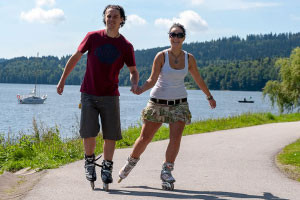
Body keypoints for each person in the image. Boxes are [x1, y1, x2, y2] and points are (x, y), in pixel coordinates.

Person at [118, 23, 216, 190]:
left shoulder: (189, 58)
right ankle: (131, 162)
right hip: (158, 102)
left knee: (175, 138)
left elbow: (198, 79)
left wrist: (209, 97)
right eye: (173, 34)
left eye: (179, 35)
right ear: (169, 37)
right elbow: (152, 79)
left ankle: (166, 171)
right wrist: (140, 89)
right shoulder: (161, 56)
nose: (175, 38)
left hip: (180, 103)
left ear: (184, 38)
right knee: (145, 138)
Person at [56, 5, 139, 189]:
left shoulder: (126, 46)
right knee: (89, 131)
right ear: (105, 18)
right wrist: (62, 80)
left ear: (122, 20)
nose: (111, 19)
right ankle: (89, 163)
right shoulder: (92, 37)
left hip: (110, 95)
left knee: (111, 134)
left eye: (115, 16)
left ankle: (107, 168)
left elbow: (133, 71)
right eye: (108, 16)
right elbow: (75, 57)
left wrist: (134, 83)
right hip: (89, 93)